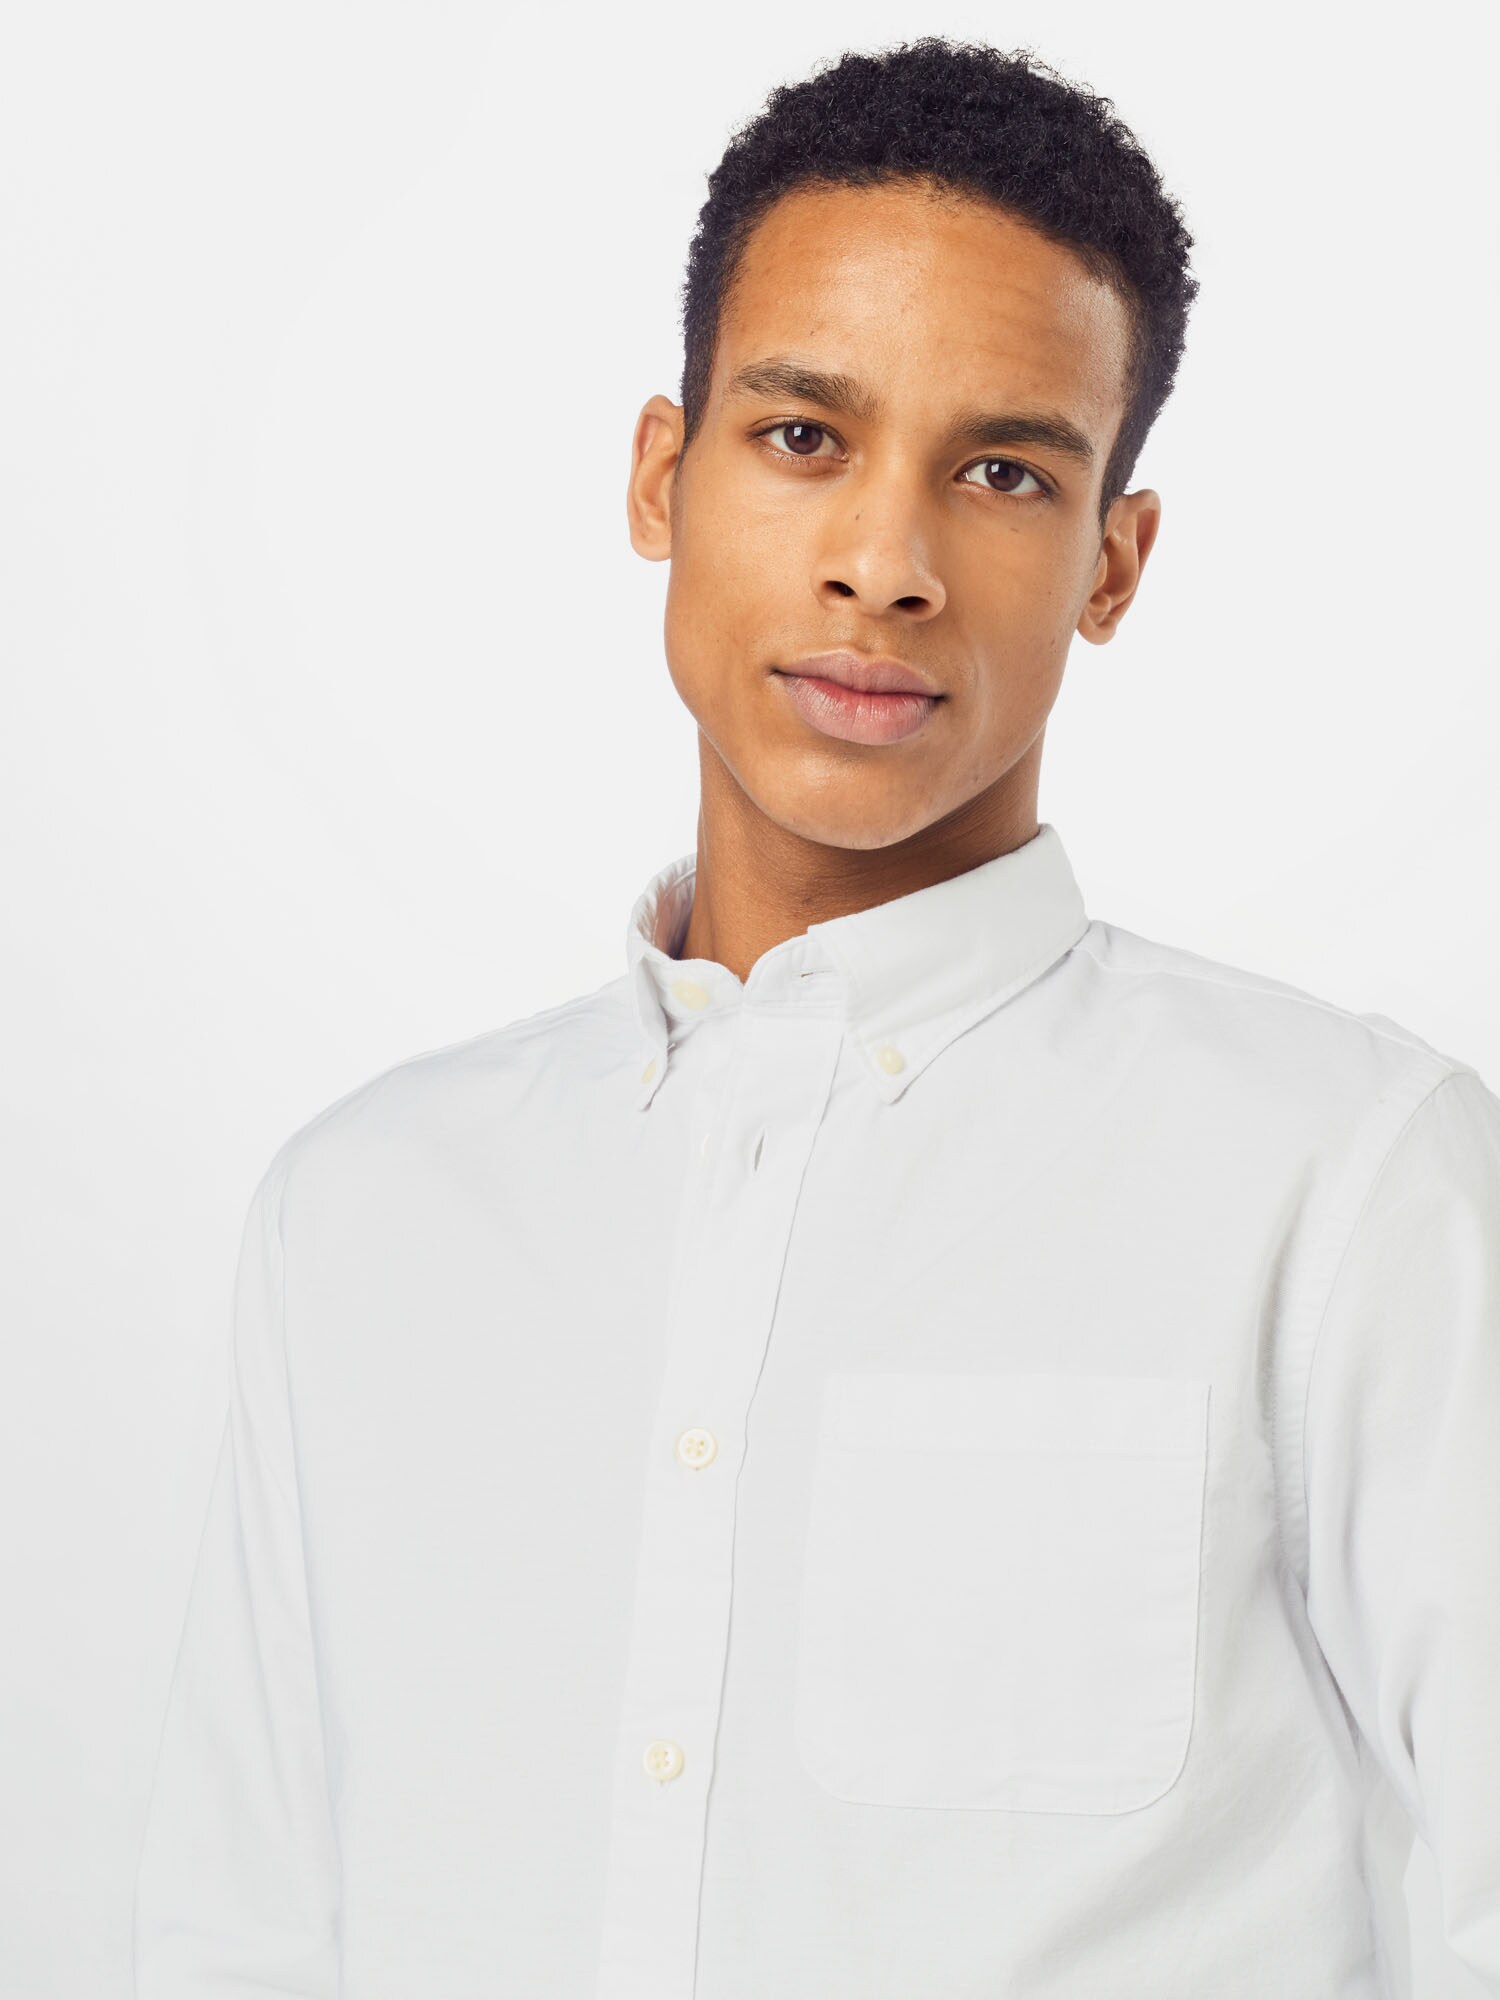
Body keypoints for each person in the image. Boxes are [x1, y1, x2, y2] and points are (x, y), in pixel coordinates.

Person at [132, 35, 1500, 1998]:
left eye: (1004, 472)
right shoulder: (360, 1219)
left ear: (1112, 564)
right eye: (800, 437)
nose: (884, 563)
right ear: (659, 475)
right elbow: (237, 1934)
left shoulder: (1347, 1186)